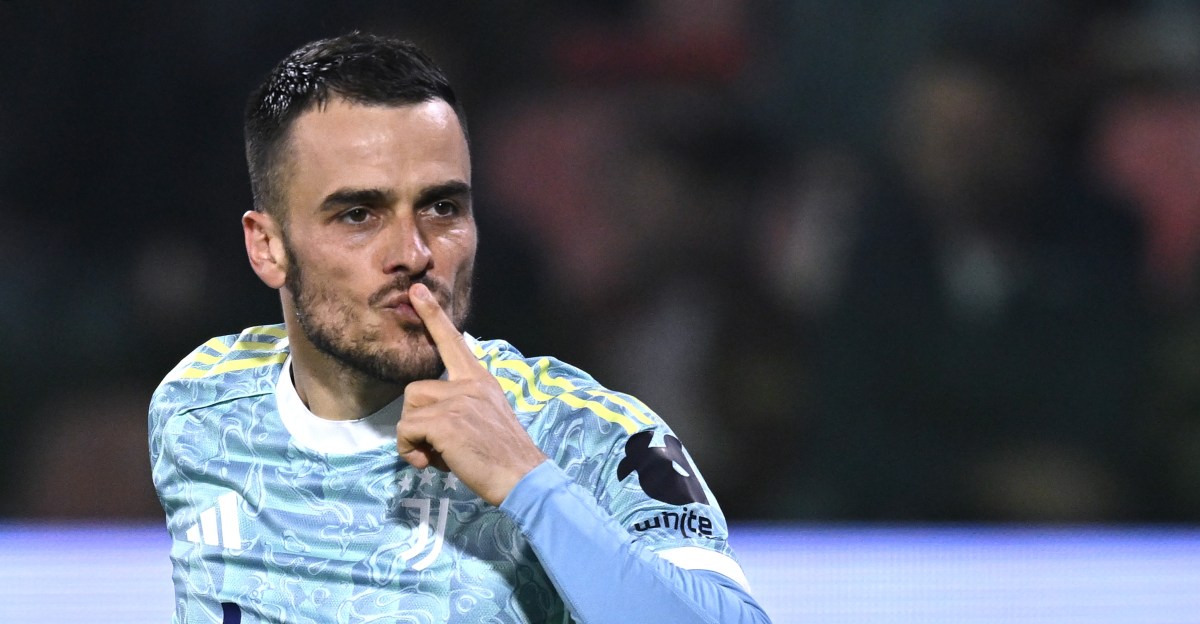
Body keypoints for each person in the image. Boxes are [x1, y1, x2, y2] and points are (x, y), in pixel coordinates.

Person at [148, 32, 770, 623]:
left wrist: (530, 484)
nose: (414, 252)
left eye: (442, 207)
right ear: (268, 247)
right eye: (359, 214)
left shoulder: (584, 436)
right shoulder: (198, 409)